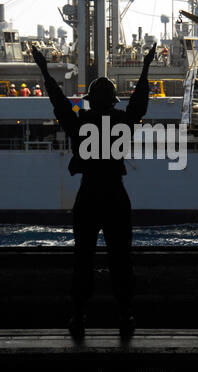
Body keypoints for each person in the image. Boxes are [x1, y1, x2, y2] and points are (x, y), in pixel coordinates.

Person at [32, 42, 157, 338]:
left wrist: (43, 69)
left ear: (91, 100)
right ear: (113, 100)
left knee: (83, 257)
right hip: (115, 195)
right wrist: (146, 67)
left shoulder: (81, 122)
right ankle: (125, 315)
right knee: (121, 258)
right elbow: (139, 104)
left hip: (88, 196)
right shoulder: (122, 122)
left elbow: (60, 103)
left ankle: (78, 316)